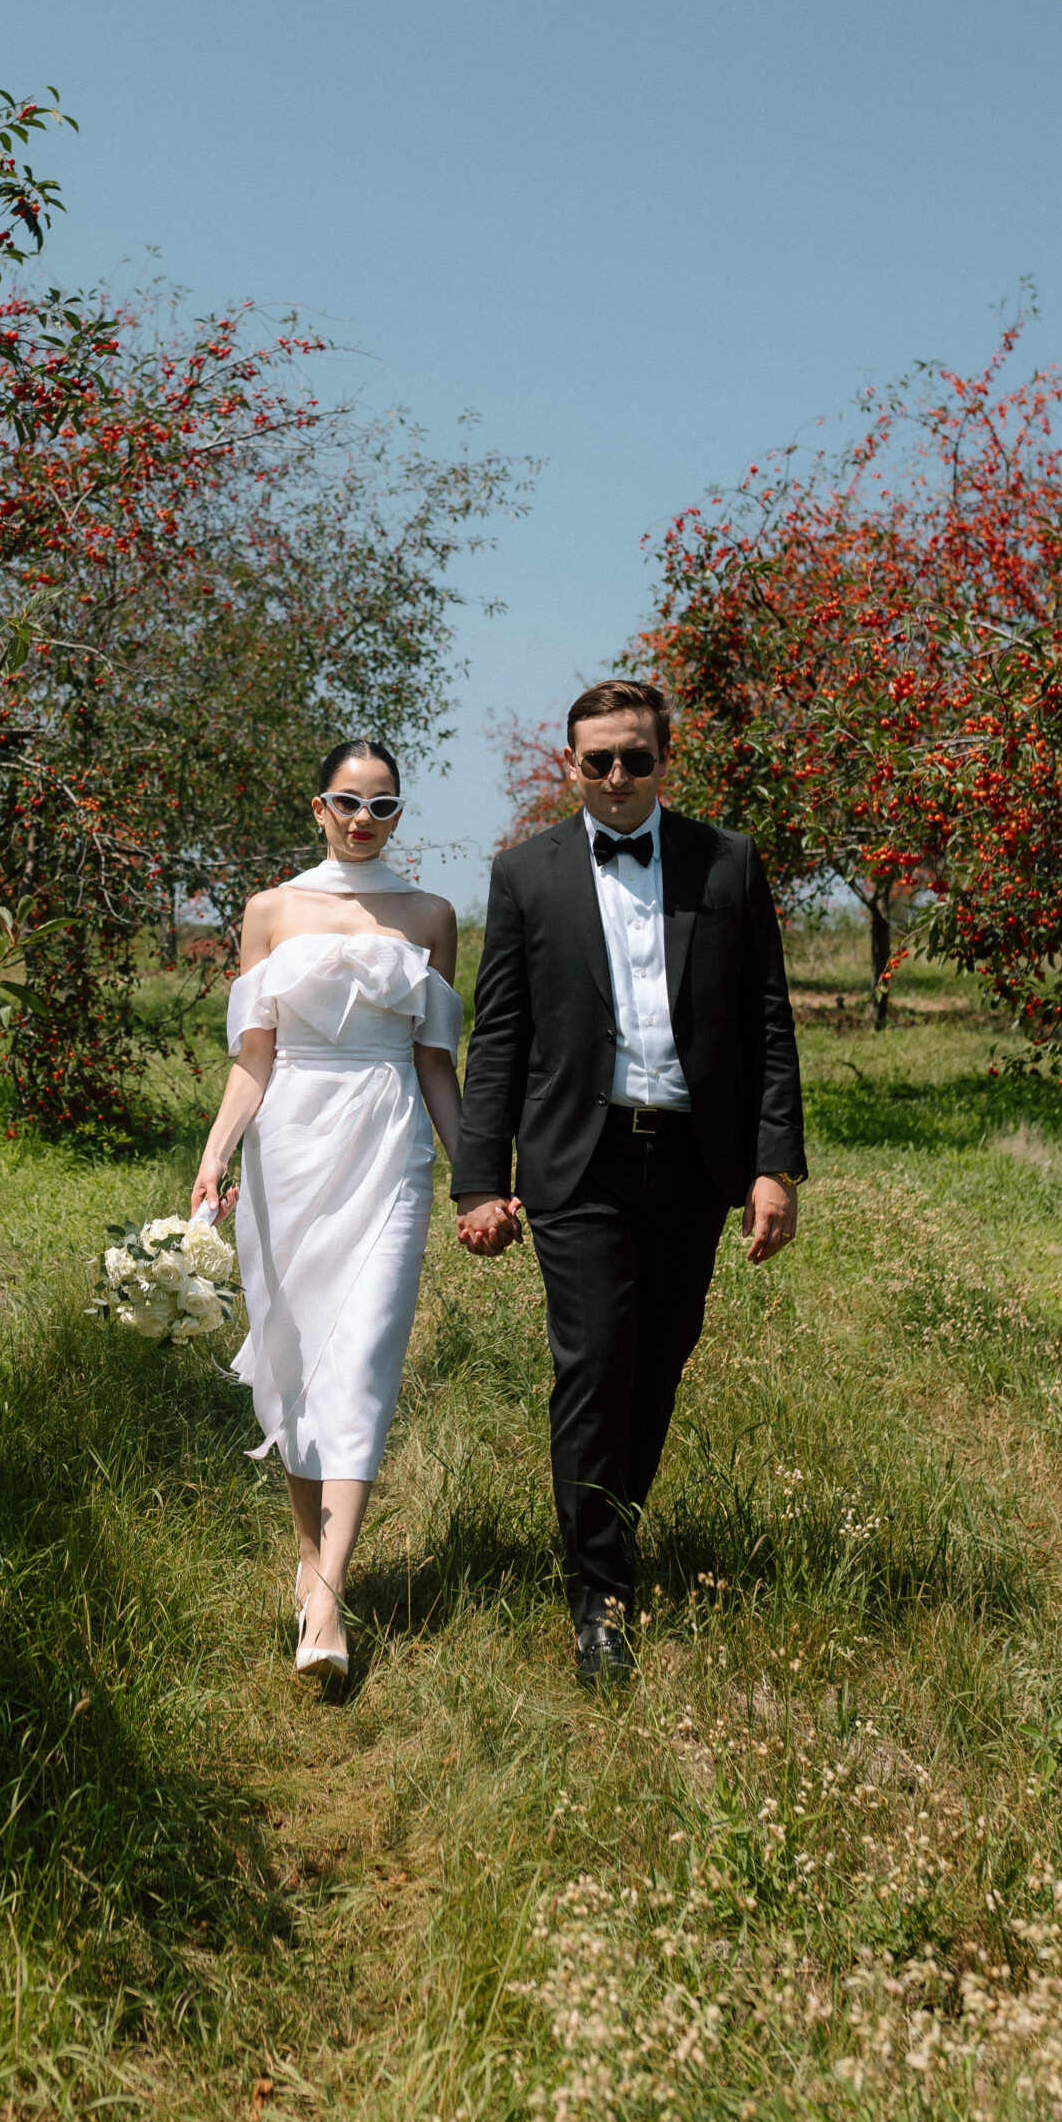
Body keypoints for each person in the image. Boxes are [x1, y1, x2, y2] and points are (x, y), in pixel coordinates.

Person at [451, 678, 805, 1689]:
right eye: (595, 759)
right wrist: (480, 1178)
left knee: (657, 1361)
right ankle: (597, 1598)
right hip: (578, 1157)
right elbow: (500, 1035)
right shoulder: (526, 874)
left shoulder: (725, 861)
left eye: (632, 758)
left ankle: (613, 1524)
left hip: (694, 1156)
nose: (614, 775)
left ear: (663, 759)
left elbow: (765, 1022)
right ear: (569, 765)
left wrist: (771, 1163)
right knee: (594, 1364)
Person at [192, 740, 462, 1682]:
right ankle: (311, 1571)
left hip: (390, 1147)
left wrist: (474, 1175)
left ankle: (329, 1597)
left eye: (382, 806)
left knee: (365, 1357)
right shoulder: (269, 911)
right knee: (300, 1358)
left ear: (399, 815)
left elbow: (437, 1065)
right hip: (289, 1148)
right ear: (317, 807)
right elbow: (253, 1057)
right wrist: (215, 1157)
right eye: (346, 803)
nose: (362, 820)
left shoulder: (430, 915)